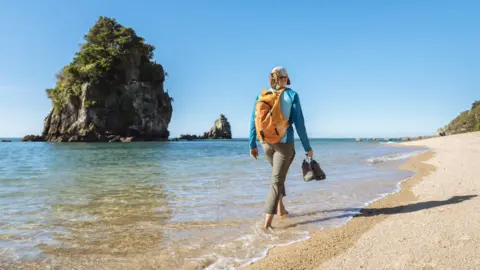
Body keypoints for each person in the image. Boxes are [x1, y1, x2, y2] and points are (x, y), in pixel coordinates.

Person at [249, 66, 313, 230]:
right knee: (277, 181)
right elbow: (299, 124)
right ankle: (267, 225)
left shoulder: (261, 95)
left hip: (265, 143)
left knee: (278, 176)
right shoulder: (292, 95)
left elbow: (253, 121)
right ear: (284, 78)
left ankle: (281, 209)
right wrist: (307, 147)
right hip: (285, 144)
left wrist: (252, 144)